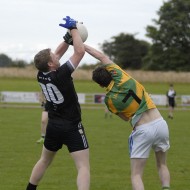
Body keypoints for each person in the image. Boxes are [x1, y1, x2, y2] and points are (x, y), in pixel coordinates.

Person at [84, 44, 170, 190]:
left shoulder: (109, 100)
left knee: (136, 175)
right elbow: (101, 56)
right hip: (160, 123)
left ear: (100, 85)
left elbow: (126, 118)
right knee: (162, 164)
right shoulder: (123, 77)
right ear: (111, 73)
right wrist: (80, 43)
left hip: (143, 129)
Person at [26, 16, 90, 190]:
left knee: (44, 160)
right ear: (50, 63)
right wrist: (74, 30)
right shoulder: (61, 74)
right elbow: (80, 52)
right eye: (53, 56)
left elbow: (58, 54)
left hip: (53, 126)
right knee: (83, 166)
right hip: (71, 125)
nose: (56, 54)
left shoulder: (41, 74)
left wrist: (66, 39)